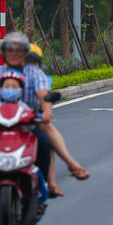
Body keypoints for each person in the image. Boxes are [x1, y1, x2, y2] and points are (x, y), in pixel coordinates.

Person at [0, 32, 52, 189]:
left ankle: (40, 187)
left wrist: (47, 111)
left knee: (44, 144)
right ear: (4, 53)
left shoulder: (35, 74)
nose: (14, 54)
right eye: (10, 50)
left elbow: (43, 95)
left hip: (27, 127)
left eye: (18, 50)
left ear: (24, 53)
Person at [25, 44, 88, 197]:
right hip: (4, 123)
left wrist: (47, 111)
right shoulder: (3, 76)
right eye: (25, 62)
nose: (28, 67)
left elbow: (44, 97)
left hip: (30, 122)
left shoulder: (39, 78)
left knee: (46, 141)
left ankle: (52, 182)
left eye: (33, 63)